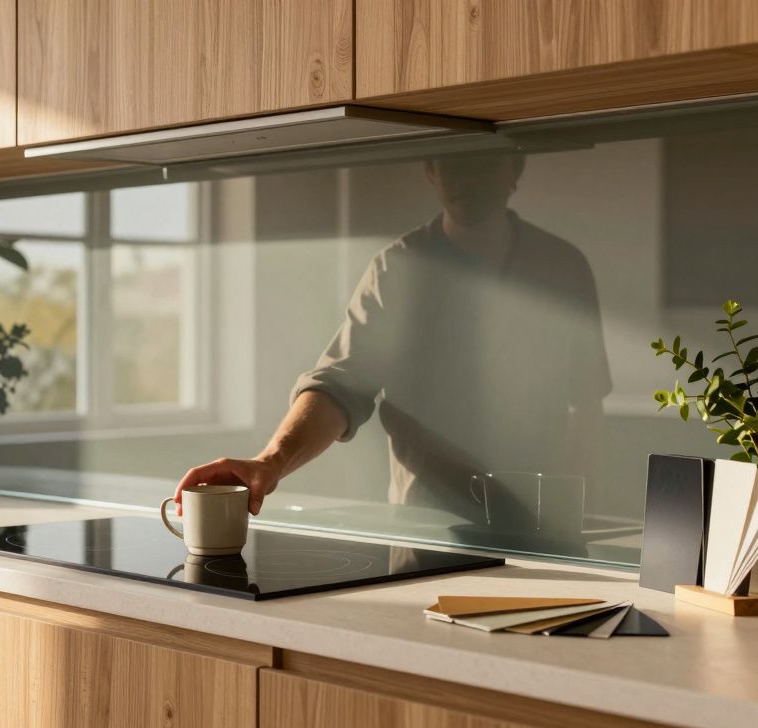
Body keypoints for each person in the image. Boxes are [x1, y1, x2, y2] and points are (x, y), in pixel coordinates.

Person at [175, 152, 611, 536]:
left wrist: (570, 517)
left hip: (537, 528)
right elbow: (340, 386)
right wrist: (269, 462)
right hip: (424, 530)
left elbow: (586, 404)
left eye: (479, 162)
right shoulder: (397, 270)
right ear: (430, 170)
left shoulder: (562, 267)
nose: (464, 177)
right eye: (450, 162)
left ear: (514, 167)